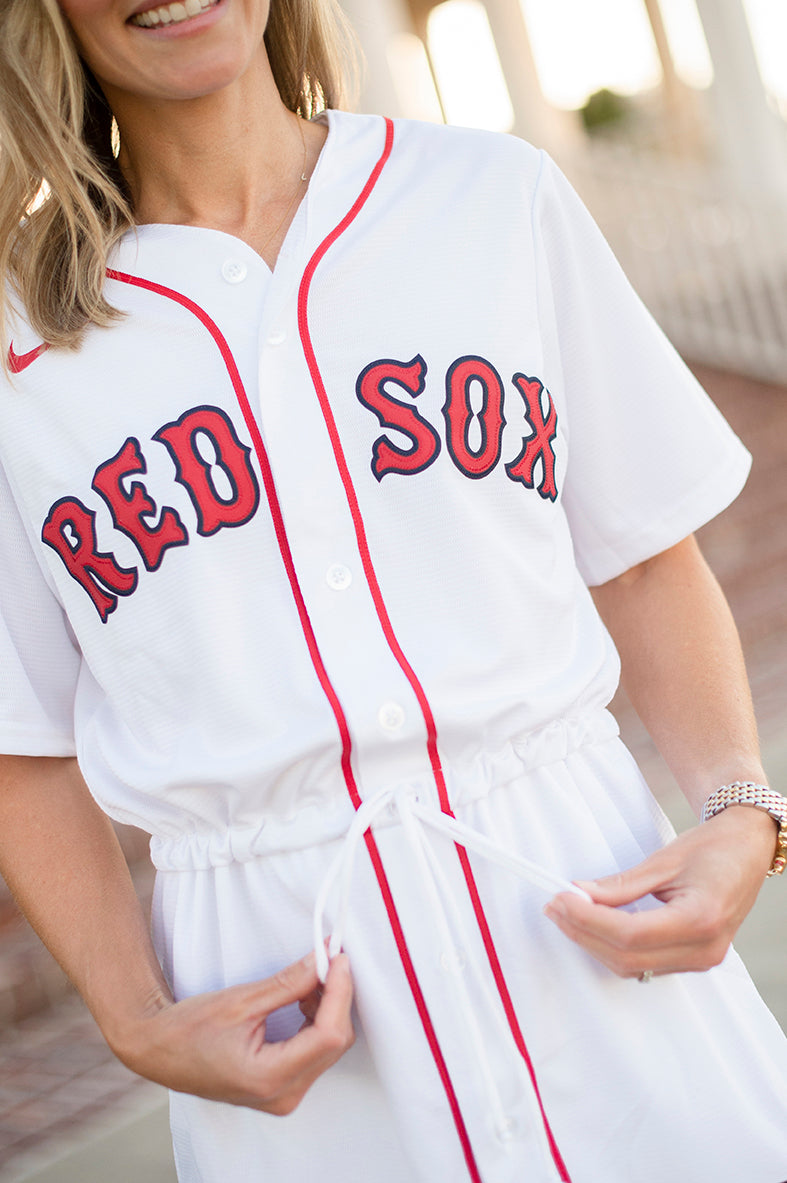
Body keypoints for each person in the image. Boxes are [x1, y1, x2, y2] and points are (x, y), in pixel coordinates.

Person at [0, 1, 785, 1181]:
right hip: (281, 1001)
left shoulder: (488, 197)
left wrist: (743, 813)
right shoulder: (20, 345)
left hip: (579, 898)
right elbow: (23, 739)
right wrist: (134, 1019)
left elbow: (637, 552)